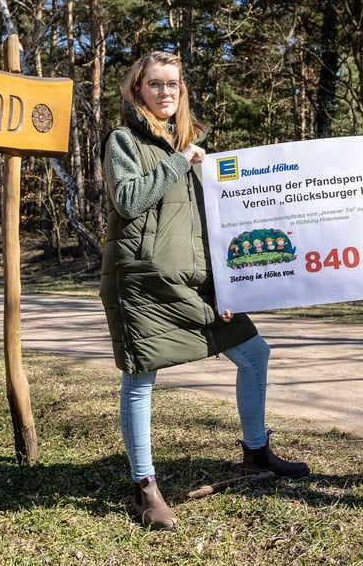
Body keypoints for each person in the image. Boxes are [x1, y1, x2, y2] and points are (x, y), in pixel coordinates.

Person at [99, 51, 310, 531]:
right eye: (154, 84)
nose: (165, 92)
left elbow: (213, 226)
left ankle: (256, 453)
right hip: (144, 283)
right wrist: (178, 162)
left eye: (173, 84)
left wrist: (227, 284)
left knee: (255, 353)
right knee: (140, 376)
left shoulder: (193, 149)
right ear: (137, 91)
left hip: (196, 283)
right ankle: (144, 486)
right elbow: (128, 200)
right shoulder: (123, 141)